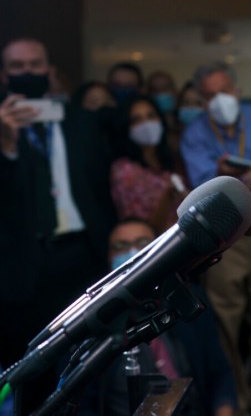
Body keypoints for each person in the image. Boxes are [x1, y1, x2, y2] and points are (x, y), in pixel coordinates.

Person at [0, 38, 116, 413]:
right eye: (18, 67)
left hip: (81, 255)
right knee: (30, 374)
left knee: (88, 367)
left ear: (49, 70)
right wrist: (7, 147)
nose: (28, 73)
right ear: (5, 75)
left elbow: (102, 185)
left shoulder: (80, 122)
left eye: (36, 65)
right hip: (23, 266)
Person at [181, 61, 251, 416]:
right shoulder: (194, 133)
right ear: (201, 100)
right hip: (222, 237)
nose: (220, 100)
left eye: (225, 92)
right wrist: (220, 174)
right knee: (226, 322)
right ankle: (236, 401)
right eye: (211, 95)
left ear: (238, 91)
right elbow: (198, 186)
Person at [79, 218, 238, 416]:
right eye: (121, 246)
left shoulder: (186, 299)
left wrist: (224, 410)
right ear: (109, 257)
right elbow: (82, 403)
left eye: (143, 244)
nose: (132, 253)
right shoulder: (91, 319)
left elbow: (220, 375)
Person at [109, 95, 188, 232]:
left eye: (151, 116)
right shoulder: (124, 170)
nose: (146, 124)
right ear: (126, 127)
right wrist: (167, 198)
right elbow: (142, 231)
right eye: (136, 120)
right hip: (158, 246)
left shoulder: (171, 160)